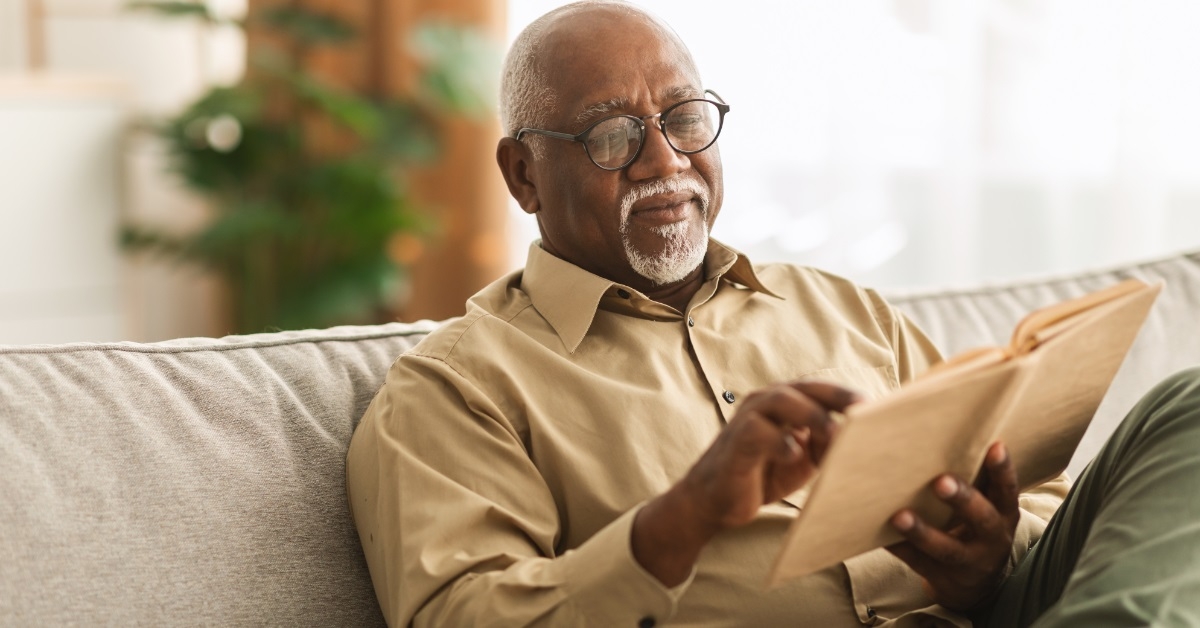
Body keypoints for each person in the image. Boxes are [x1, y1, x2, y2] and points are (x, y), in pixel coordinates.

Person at [346, 2, 1200, 626]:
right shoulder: (456, 390)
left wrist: (988, 561)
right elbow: (464, 615)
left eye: (685, 117)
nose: (663, 159)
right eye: (611, 135)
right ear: (524, 176)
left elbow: (1041, 506)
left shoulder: (841, 308)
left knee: (1190, 406)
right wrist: (684, 516)